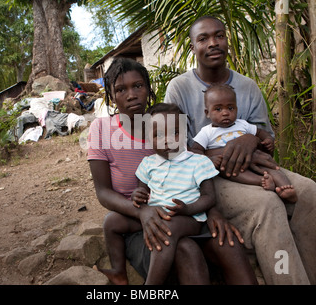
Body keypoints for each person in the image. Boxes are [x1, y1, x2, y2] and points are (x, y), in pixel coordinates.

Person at [164, 15, 316, 284]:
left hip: (253, 164)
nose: (213, 43)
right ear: (193, 47)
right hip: (209, 179)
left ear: (227, 41)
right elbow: (174, 151)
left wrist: (251, 139)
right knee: (267, 203)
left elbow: (266, 140)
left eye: (219, 35)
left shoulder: (247, 86)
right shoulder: (179, 88)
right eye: (203, 38)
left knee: (307, 190)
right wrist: (216, 156)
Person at [87, 57, 257, 285]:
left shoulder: (167, 123)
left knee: (227, 242)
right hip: (138, 221)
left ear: (148, 88)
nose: (131, 94)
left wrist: (213, 212)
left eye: (138, 86)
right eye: (120, 89)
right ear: (110, 94)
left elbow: (192, 169)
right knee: (185, 249)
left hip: (183, 211)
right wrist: (143, 212)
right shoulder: (101, 129)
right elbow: (103, 193)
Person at [98, 103, 220, 285]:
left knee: (166, 230)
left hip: (188, 219)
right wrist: (137, 196)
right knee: (111, 221)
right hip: (155, 215)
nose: (167, 140)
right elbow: (143, 196)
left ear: (185, 133)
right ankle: (118, 272)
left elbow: (210, 197)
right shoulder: (148, 163)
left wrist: (187, 209)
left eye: (175, 133)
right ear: (149, 139)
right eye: (158, 135)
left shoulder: (198, 161)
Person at [191, 84, 297, 203]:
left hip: (252, 157)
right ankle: (261, 180)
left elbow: (261, 132)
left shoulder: (243, 124)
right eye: (218, 109)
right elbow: (195, 150)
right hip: (229, 165)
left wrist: (268, 140)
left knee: (273, 169)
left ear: (236, 108)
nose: (225, 113)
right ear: (207, 113)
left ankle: (287, 189)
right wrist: (209, 159)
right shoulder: (207, 132)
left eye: (230, 108)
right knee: (231, 172)